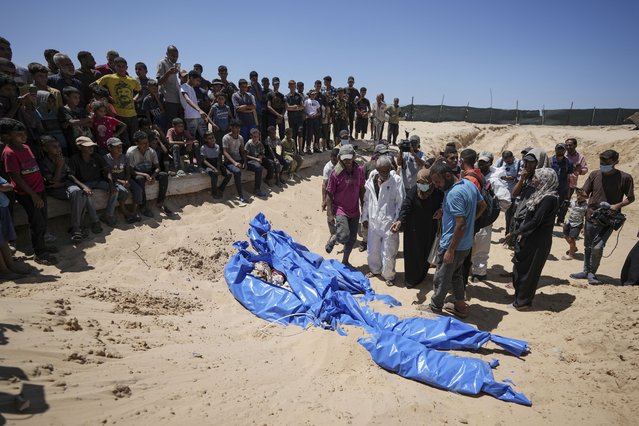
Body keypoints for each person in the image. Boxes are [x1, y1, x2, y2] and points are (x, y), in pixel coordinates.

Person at [425, 161, 486, 318]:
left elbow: (460, 224)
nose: (437, 186)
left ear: (447, 175)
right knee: (456, 275)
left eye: (438, 182)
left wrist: (450, 250)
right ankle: (460, 305)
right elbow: (483, 205)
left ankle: (435, 307)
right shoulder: (469, 184)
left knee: (441, 277)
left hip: (453, 244)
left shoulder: (454, 193)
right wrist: (445, 212)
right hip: (465, 244)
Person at [570, 150, 634, 284]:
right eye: (601, 162)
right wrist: (580, 194)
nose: (603, 165)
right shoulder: (594, 175)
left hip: (609, 218)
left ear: (616, 162)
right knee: (588, 246)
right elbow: (586, 193)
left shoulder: (625, 178)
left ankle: (592, 272)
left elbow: (630, 198)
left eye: (606, 163)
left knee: (598, 247)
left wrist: (617, 205)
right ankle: (586, 271)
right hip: (591, 215)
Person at [1, 118, 57, 265]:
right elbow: (15, 177)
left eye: (24, 133)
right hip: (27, 194)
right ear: (7, 137)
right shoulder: (9, 153)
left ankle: (42, 246)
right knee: (36, 222)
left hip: (39, 189)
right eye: (19, 134)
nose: (24, 136)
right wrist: (33, 195)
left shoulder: (26, 147)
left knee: (43, 220)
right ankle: (39, 253)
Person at [504, 168, 560, 310]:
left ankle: (523, 302)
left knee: (529, 272)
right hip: (529, 237)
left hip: (537, 241)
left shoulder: (549, 199)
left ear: (544, 180)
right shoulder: (540, 195)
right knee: (521, 267)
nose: (534, 180)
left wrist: (515, 233)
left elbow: (536, 221)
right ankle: (519, 296)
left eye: (536, 178)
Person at [393, 167, 444, 288]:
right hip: (413, 229)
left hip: (429, 228)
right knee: (412, 253)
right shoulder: (413, 191)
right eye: (420, 183)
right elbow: (406, 206)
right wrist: (400, 220)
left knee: (425, 252)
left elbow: (444, 203)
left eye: (425, 183)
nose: (422, 186)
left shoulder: (437, 193)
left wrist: (441, 210)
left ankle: (421, 275)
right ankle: (410, 279)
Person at [361, 157, 405, 286]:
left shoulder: (396, 181)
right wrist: (365, 217)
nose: (384, 174)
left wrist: (397, 220)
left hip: (389, 222)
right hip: (374, 221)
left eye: (387, 171)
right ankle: (375, 270)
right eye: (382, 171)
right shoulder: (372, 178)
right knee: (372, 249)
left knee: (389, 251)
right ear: (377, 169)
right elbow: (367, 200)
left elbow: (400, 202)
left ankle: (389, 276)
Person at [39, 136, 91, 241]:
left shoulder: (65, 159)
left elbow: (70, 176)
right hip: (54, 190)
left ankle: (75, 227)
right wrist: (59, 166)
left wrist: (82, 186)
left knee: (79, 192)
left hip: (65, 184)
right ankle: (77, 227)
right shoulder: (43, 163)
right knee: (80, 196)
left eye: (58, 146)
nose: (58, 149)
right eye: (54, 147)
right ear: (45, 149)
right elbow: (52, 183)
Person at [325, 144, 365, 267]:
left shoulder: (359, 171)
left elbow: (361, 189)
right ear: (340, 158)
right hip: (340, 209)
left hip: (354, 209)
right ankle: (335, 237)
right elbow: (329, 194)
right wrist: (329, 214)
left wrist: (363, 207)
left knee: (352, 239)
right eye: (344, 158)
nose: (347, 161)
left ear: (354, 157)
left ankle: (345, 260)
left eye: (350, 158)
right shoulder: (335, 174)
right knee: (344, 235)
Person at [68, 136, 119, 231]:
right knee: (88, 195)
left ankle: (108, 215)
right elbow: (71, 176)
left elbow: (107, 170)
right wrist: (83, 187)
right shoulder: (74, 159)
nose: (91, 148)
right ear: (80, 147)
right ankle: (95, 221)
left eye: (92, 146)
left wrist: (111, 184)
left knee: (115, 190)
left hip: (98, 181)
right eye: (88, 146)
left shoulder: (97, 156)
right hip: (84, 183)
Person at [93, 57, 140, 144]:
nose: (121, 68)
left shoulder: (132, 80)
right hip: (118, 115)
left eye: (123, 66)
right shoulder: (108, 78)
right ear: (114, 66)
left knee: (136, 139)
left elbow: (140, 92)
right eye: (118, 66)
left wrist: (135, 98)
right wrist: (107, 96)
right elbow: (93, 86)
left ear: (127, 67)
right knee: (124, 141)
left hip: (133, 114)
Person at [126, 130, 172, 218]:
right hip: (137, 172)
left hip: (149, 172)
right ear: (136, 143)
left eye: (147, 142)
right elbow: (130, 170)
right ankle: (143, 207)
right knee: (140, 179)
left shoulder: (151, 151)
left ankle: (160, 202)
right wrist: (145, 175)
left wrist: (153, 176)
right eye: (143, 143)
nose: (146, 145)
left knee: (164, 175)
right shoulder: (131, 152)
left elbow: (158, 167)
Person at [0, 174, 29, 279]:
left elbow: (9, 186)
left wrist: (2, 187)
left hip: (2, 208)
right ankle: (4, 271)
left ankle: (11, 266)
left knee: (4, 241)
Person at [103, 137, 135, 224]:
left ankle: (132, 210)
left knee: (135, 189)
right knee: (123, 191)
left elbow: (128, 172)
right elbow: (106, 175)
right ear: (109, 148)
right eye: (117, 147)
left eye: (120, 146)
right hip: (112, 181)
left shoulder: (125, 157)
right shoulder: (106, 159)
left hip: (123, 180)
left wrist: (127, 180)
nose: (120, 148)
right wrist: (121, 181)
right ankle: (121, 210)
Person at [558, 138, 588, 223]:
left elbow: (585, 169)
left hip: (571, 184)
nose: (568, 147)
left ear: (575, 145)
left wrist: (579, 170)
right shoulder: (562, 155)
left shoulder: (580, 157)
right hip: (559, 183)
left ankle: (560, 219)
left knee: (566, 202)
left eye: (570, 145)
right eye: (566, 145)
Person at [221, 120, 249, 206]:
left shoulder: (240, 137)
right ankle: (240, 195)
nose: (238, 129)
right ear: (231, 128)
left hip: (239, 159)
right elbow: (225, 152)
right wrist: (234, 163)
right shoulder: (226, 138)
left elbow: (242, 150)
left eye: (239, 127)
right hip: (229, 161)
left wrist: (245, 162)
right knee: (237, 172)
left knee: (258, 167)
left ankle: (257, 189)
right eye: (236, 127)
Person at [179, 70, 210, 143]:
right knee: (191, 138)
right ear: (191, 78)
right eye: (197, 80)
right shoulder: (183, 87)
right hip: (191, 117)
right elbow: (188, 100)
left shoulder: (192, 88)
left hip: (198, 116)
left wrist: (203, 115)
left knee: (205, 136)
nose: (198, 83)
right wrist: (199, 110)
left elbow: (195, 104)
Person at [156, 46, 181, 124]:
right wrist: (169, 73)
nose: (175, 58)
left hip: (176, 98)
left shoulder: (173, 65)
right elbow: (159, 81)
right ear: (167, 54)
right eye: (173, 56)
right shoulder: (162, 63)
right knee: (171, 124)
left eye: (177, 56)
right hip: (168, 99)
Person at [551, 142, 574, 225]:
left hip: (562, 188)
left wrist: (568, 190)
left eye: (562, 149)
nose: (560, 151)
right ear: (555, 149)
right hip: (551, 188)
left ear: (565, 151)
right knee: (550, 205)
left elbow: (568, 177)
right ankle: (550, 220)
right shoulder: (550, 161)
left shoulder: (569, 163)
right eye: (558, 149)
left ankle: (559, 220)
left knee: (561, 205)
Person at [561, 188, 588, 260]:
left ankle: (571, 254)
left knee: (572, 238)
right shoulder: (573, 201)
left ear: (585, 197)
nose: (578, 197)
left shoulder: (586, 207)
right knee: (566, 236)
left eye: (581, 196)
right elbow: (568, 208)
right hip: (568, 221)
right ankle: (574, 248)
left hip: (577, 224)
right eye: (578, 195)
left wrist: (583, 228)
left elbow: (586, 217)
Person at [243, 128, 271, 195]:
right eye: (254, 137)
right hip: (250, 161)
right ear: (251, 136)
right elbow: (245, 156)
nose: (256, 138)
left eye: (257, 137)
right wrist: (256, 159)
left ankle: (268, 179)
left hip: (257, 159)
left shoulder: (259, 143)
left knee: (270, 163)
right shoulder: (248, 144)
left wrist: (260, 156)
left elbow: (262, 152)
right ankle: (257, 189)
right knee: (259, 168)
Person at [232, 79, 257, 143]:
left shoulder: (250, 95)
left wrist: (244, 107)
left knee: (253, 140)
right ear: (239, 86)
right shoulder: (235, 96)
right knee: (243, 140)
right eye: (242, 86)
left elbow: (254, 107)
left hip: (251, 122)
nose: (244, 88)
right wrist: (249, 108)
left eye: (245, 87)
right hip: (241, 123)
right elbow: (237, 109)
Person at [200, 131, 224, 199]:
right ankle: (214, 193)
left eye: (212, 137)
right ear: (206, 140)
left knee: (228, 175)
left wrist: (218, 168)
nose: (212, 139)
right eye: (209, 138)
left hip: (216, 163)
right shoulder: (203, 147)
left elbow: (219, 158)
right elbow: (204, 160)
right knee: (214, 176)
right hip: (208, 165)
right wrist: (214, 169)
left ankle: (221, 189)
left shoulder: (217, 146)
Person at [285, 80, 305, 154]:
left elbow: (302, 106)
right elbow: (287, 107)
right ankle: (295, 150)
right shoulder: (287, 96)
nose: (293, 87)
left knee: (300, 132)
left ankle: (300, 150)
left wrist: (294, 108)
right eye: (291, 86)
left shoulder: (299, 96)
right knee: (293, 135)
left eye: (294, 86)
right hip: (291, 118)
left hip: (299, 118)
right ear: (289, 87)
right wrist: (296, 106)